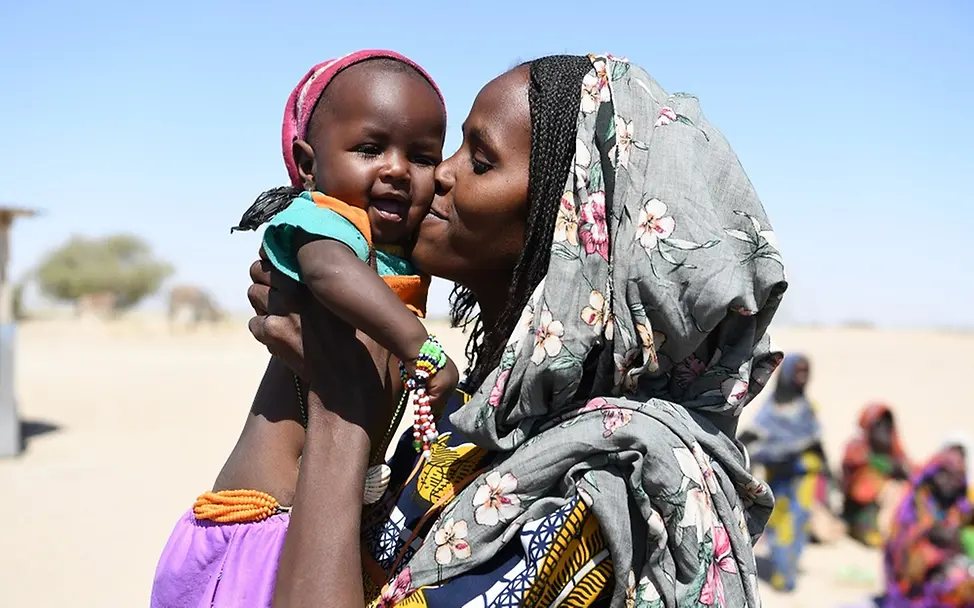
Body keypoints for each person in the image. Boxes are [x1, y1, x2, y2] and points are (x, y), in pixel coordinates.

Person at [249, 53, 788, 607]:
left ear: (571, 228)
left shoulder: (599, 492)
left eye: (480, 162)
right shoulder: (466, 418)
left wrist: (339, 412)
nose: (440, 174)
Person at [150, 49, 453, 608]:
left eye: (422, 157)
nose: (396, 169)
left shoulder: (396, 257)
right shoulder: (321, 220)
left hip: (309, 525)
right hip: (253, 532)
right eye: (370, 149)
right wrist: (422, 347)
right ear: (308, 164)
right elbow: (328, 272)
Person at [741, 353, 841, 591]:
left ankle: (786, 577)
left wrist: (830, 478)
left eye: (806, 371)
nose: (802, 376)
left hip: (802, 478)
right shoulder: (770, 410)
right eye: (798, 371)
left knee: (795, 526)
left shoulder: (807, 408)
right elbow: (752, 438)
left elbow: (816, 443)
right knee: (777, 524)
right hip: (777, 477)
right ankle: (781, 571)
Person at [884, 445, 974, 606]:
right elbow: (901, 547)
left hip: (950, 567)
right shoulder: (915, 503)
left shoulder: (959, 505)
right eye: (944, 474)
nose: (949, 481)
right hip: (915, 577)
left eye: (956, 476)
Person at [841, 403, 912, 547]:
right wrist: (886, 467)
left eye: (887, 427)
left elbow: (913, 473)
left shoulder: (895, 451)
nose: (883, 432)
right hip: (861, 511)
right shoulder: (857, 449)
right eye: (878, 426)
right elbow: (857, 490)